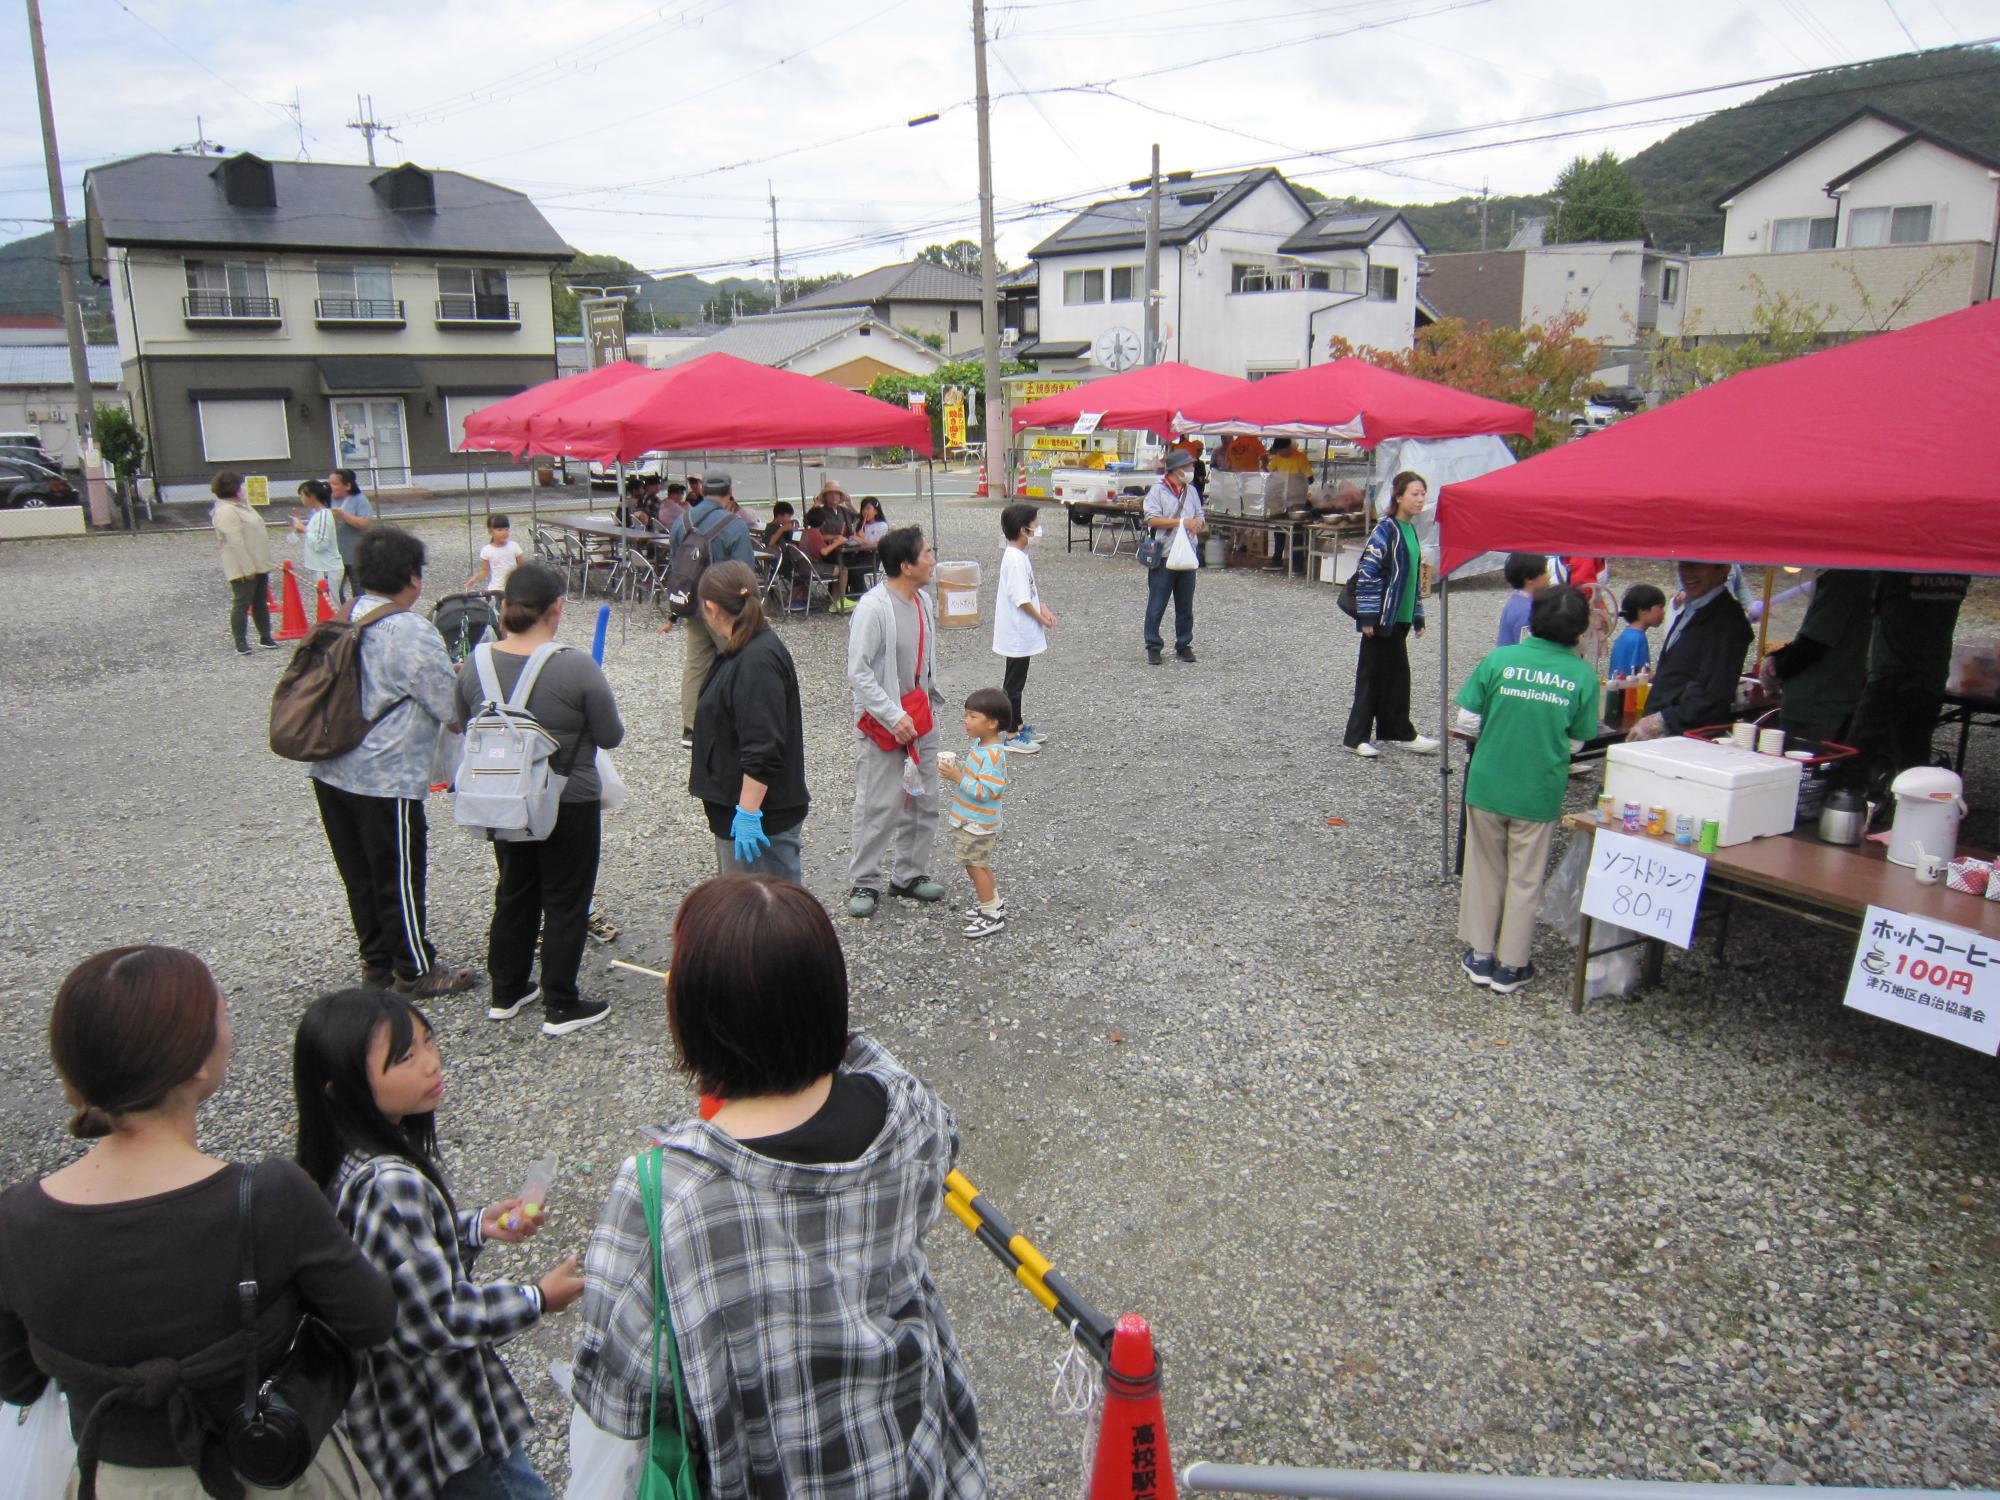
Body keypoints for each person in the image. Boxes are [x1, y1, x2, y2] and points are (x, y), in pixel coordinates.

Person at [567, 877, 986, 1497]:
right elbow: (920, 1115)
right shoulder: (907, 1111)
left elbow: (623, 1396)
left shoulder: (666, 1191)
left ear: (689, 1012)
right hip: (912, 1451)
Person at [0, 946, 394, 1499]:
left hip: (114, 1481)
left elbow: (17, 1378)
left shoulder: (16, 1220)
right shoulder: (269, 1197)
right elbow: (370, 1320)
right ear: (197, 1064)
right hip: (271, 1472)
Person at [294, 989, 586, 1500]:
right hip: (443, 1429)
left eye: (429, 1042)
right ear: (339, 1089)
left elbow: (393, 1263)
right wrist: (537, 1298)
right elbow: (436, 1318)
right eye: (405, 1057)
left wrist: (473, 1228)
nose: (432, 1064)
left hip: (395, 1419)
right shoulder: (390, 1183)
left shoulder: (341, 1163)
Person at [454, 562, 625, 1037]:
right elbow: (611, 736)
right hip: (568, 797)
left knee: (514, 888)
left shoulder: (478, 662)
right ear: (557, 608)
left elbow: (459, 722)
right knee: (567, 896)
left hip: (501, 795)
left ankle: (506, 990)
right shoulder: (574, 665)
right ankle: (561, 1001)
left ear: (505, 608)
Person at [311, 526, 480, 998]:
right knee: (398, 876)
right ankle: (415, 967)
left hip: (330, 766)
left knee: (360, 875)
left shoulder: (343, 616)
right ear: (413, 577)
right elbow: (449, 709)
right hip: (384, 774)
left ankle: (377, 962)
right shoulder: (410, 629)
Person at [1454, 587, 1599, 995]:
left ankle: (1480, 955)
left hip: (1487, 783)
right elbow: (1578, 742)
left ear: (1532, 620)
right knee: (1525, 878)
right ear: (1579, 632)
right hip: (1538, 790)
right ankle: (1511, 965)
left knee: (1484, 869)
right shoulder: (1583, 675)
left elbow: (1467, 719)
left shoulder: (1500, 660)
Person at [846, 526, 946, 918]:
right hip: (884, 720)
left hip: (921, 715)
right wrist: (892, 715)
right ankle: (864, 881)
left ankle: (909, 874)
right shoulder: (872, 609)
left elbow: (923, 665)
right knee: (879, 802)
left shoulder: (922, 601)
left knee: (924, 799)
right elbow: (859, 672)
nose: (933, 559)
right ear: (906, 565)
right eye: (927, 553)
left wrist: (926, 707)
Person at [689, 561, 809, 881]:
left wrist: (748, 812)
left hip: (762, 816)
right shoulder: (744, 646)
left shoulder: (756, 660)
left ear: (712, 608)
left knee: (765, 919)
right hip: (740, 808)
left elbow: (763, 745)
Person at [1344, 471, 1441, 758]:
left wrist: (1418, 615)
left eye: (1423, 493)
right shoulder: (1386, 529)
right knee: (1373, 676)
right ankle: (1357, 736)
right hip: (1382, 618)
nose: (1420, 499)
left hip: (1399, 618)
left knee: (1396, 676)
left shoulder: (1410, 531)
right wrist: (1369, 617)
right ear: (1398, 496)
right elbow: (1368, 573)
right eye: (1414, 493)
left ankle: (1397, 730)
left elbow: (1412, 581)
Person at [1846, 571, 1968, 798]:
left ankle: (1843, 811)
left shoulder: (1896, 568)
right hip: (1931, 675)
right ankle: (1912, 813)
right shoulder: (1958, 570)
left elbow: (1870, 603)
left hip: (1891, 672)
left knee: (1855, 756)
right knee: (1915, 759)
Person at [669, 469, 757, 751]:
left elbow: (674, 563)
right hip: (725, 606)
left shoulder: (682, 521)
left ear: (702, 490)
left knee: (696, 663)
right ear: (729, 490)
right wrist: (751, 607)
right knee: (738, 658)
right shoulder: (734, 524)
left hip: (693, 602)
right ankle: (738, 719)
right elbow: (745, 572)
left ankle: (691, 728)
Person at [1627, 561, 1753, 741]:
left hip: (1686, 738)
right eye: (1683, 565)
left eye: (1697, 566)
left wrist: (1664, 720)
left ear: (1723, 569)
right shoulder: (1693, 607)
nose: (1688, 573)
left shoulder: (1727, 620)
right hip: (1665, 734)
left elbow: (1713, 695)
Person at [1763, 569, 1874, 745]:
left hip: (1819, 703)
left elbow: (1814, 643)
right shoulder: (1847, 579)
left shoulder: (1844, 581)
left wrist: (1778, 668)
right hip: (1826, 698)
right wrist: (1777, 656)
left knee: (1805, 762)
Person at [941, 687, 1011, 940]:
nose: (965, 721)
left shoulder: (993, 755)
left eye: (972, 716)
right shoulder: (981, 745)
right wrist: (958, 771)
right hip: (971, 819)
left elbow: (988, 791)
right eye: (966, 715)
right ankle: (993, 903)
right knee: (979, 864)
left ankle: (991, 914)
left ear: (992, 723)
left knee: (975, 866)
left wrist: (957, 777)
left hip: (978, 823)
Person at [992, 501, 1053, 754]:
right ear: (1022, 529)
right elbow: (1021, 599)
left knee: (1017, 680)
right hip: (1017, 631)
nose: (1038, 529)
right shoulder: (1016, 559)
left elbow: (1027, 591)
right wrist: (1040, 617)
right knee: (1014, 684)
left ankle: (1017, 722)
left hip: (1020, 630)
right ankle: (1010, 734)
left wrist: (1043, 607)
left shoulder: (1018, 556)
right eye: (1035, 524)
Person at [1141, 448, 1206, 666]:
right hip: (1164, 554)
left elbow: (1199, 515)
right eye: (1188, 467)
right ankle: (1153, 644)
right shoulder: (1157, 491)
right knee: (1157, 603)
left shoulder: (1192, 491)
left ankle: (1184, 643)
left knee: (1185, 604)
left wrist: (1198, 523)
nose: (1191, 470)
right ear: (1177, 470)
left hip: (1188, 553)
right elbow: (1151, 519)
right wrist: (1181, 522)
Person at [212, 470, 278, 655]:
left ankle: (266, 636)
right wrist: (247, 567)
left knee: (260, 601)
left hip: (259, 562)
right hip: (243, 566)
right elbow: (235, 541)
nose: (243, 490)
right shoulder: (226, 511)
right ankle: (240, 641)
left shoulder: (244, 507)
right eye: (241, 486)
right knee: (242, 602)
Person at [292, 477, 345, 609]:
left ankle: (337, 628)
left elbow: (320, 543)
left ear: (312, 496)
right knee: (326, 603)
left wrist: (304, 530)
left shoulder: (323, 515)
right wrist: (300, 530)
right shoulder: (317, 514)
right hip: (322, 567)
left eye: (303, 495)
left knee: (331, 605)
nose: (301, 498)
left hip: (327, 568)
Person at [1262, 438, 1313, 570]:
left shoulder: (1300, 458)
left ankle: (1297, 565)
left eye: (1282, 450)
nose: (1280, 453)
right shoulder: (1278, 458)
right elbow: (1268, 473)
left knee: (1296, 532)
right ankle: (1277, 560)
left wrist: (1296, 481)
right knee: (1279, 530)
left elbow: (1310, 479)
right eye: (1278, 451)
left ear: (1289, 447)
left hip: (1296, 501)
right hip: (1279, 501)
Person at [328, 467, 374, 603]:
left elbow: (365, 522)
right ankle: (340, 617)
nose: (331, 487)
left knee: (359, 589)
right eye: (330, 483)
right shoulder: (329, 499)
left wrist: (344, 516)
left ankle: (361, 617)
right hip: (334, 554)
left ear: (347, 485)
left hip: (355, 552)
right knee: (334, 590)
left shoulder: (359, 499)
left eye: (335, 484)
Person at [1608, 583, 1666, 678]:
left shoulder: (1626, 635)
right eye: (1660, 607)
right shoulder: (1638, 638)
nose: (1663, 612)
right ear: (1643, 610)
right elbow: (1642, 674)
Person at [1495, 553, 1551, 648]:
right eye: (1545, 572)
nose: (1549, 576)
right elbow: (1526, 650)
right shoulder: (1527, 611)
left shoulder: (1517, 601)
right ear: (1529, 578)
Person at [465, 513, 523, 595]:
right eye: (499, 530)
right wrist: (475, 578)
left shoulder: (514, 546)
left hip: (514, 588)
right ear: (490, 532)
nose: (504, 532)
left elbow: (522, 566)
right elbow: (485, 571)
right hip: (496, 589)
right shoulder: (487, 550)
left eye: (506, 529)